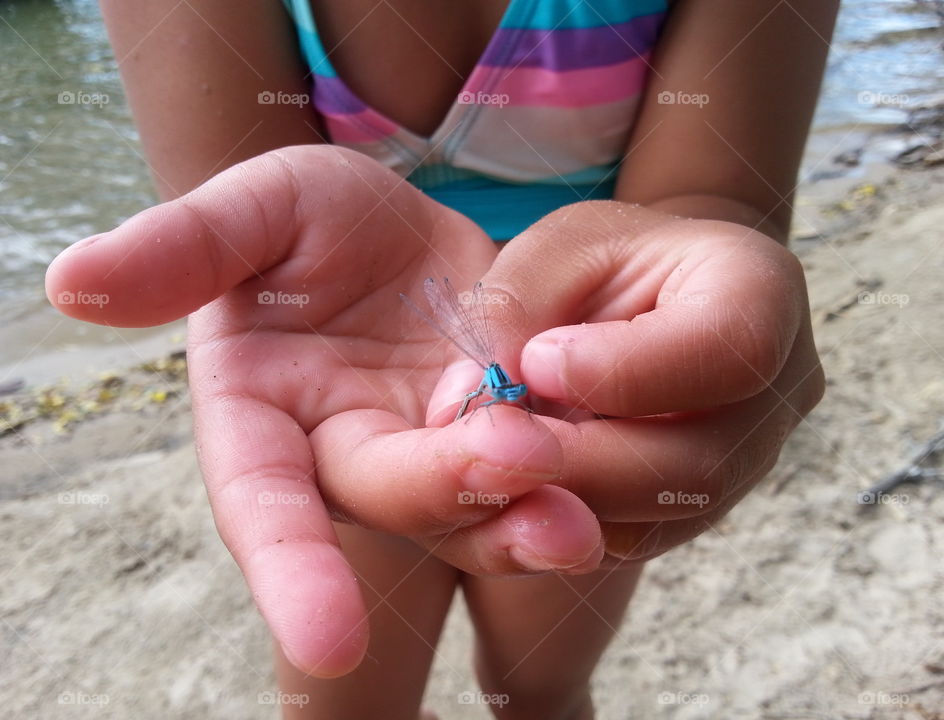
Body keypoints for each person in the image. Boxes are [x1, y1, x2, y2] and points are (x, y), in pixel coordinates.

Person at [46, 1, 835, 717]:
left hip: (587, 414)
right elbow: (232, 229)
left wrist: (718, 269)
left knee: (538, 691)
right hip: (346, 393)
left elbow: (714, 191)